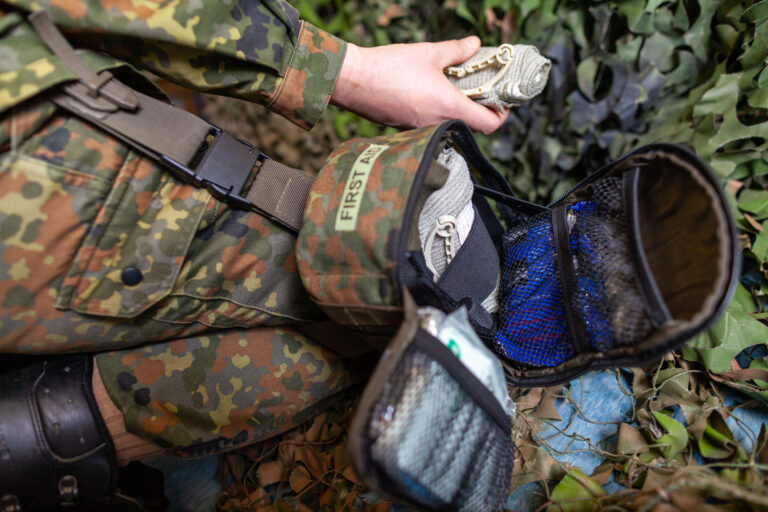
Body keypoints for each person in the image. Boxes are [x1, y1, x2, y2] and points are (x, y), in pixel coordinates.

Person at [0, 0, 508, 509]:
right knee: (351, 309)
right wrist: (341, 69)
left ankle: (48, 426)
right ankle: (50, 432)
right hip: (40, 184)